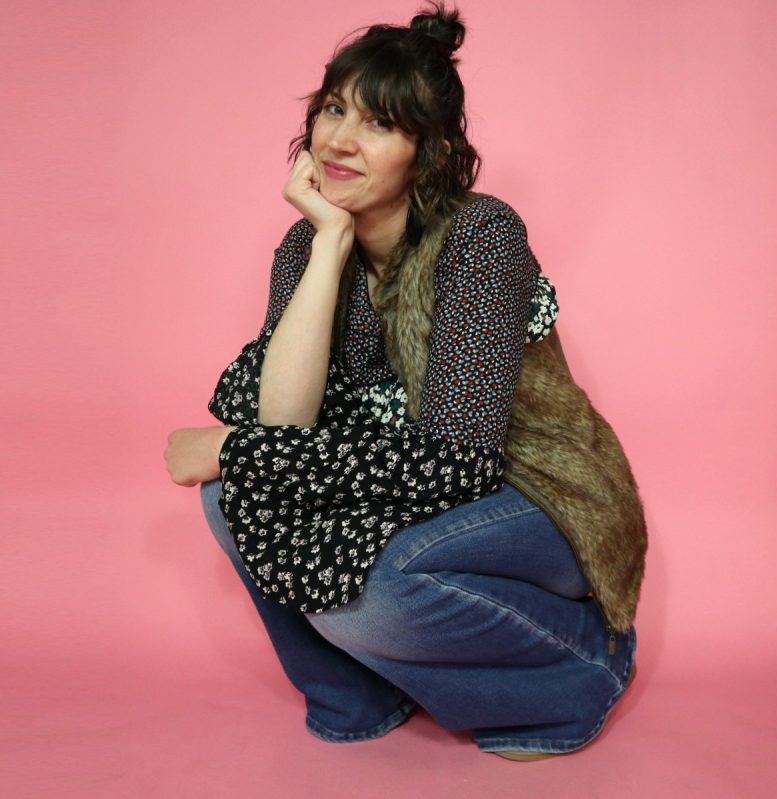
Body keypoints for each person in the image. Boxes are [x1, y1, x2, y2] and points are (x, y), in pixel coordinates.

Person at [164, 3, 647, 760]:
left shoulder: (481, 239)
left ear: (426, 152)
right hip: (410, 483)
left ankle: (582, 663)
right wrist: (328, 242)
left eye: (379, 125)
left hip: (535, 492)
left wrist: (237, 450)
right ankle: (359, 693)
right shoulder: (306, 243)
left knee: (375, 586)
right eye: (332, 111)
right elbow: (277, 421)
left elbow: (458, 465)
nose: (340, 141)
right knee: (234, 499)